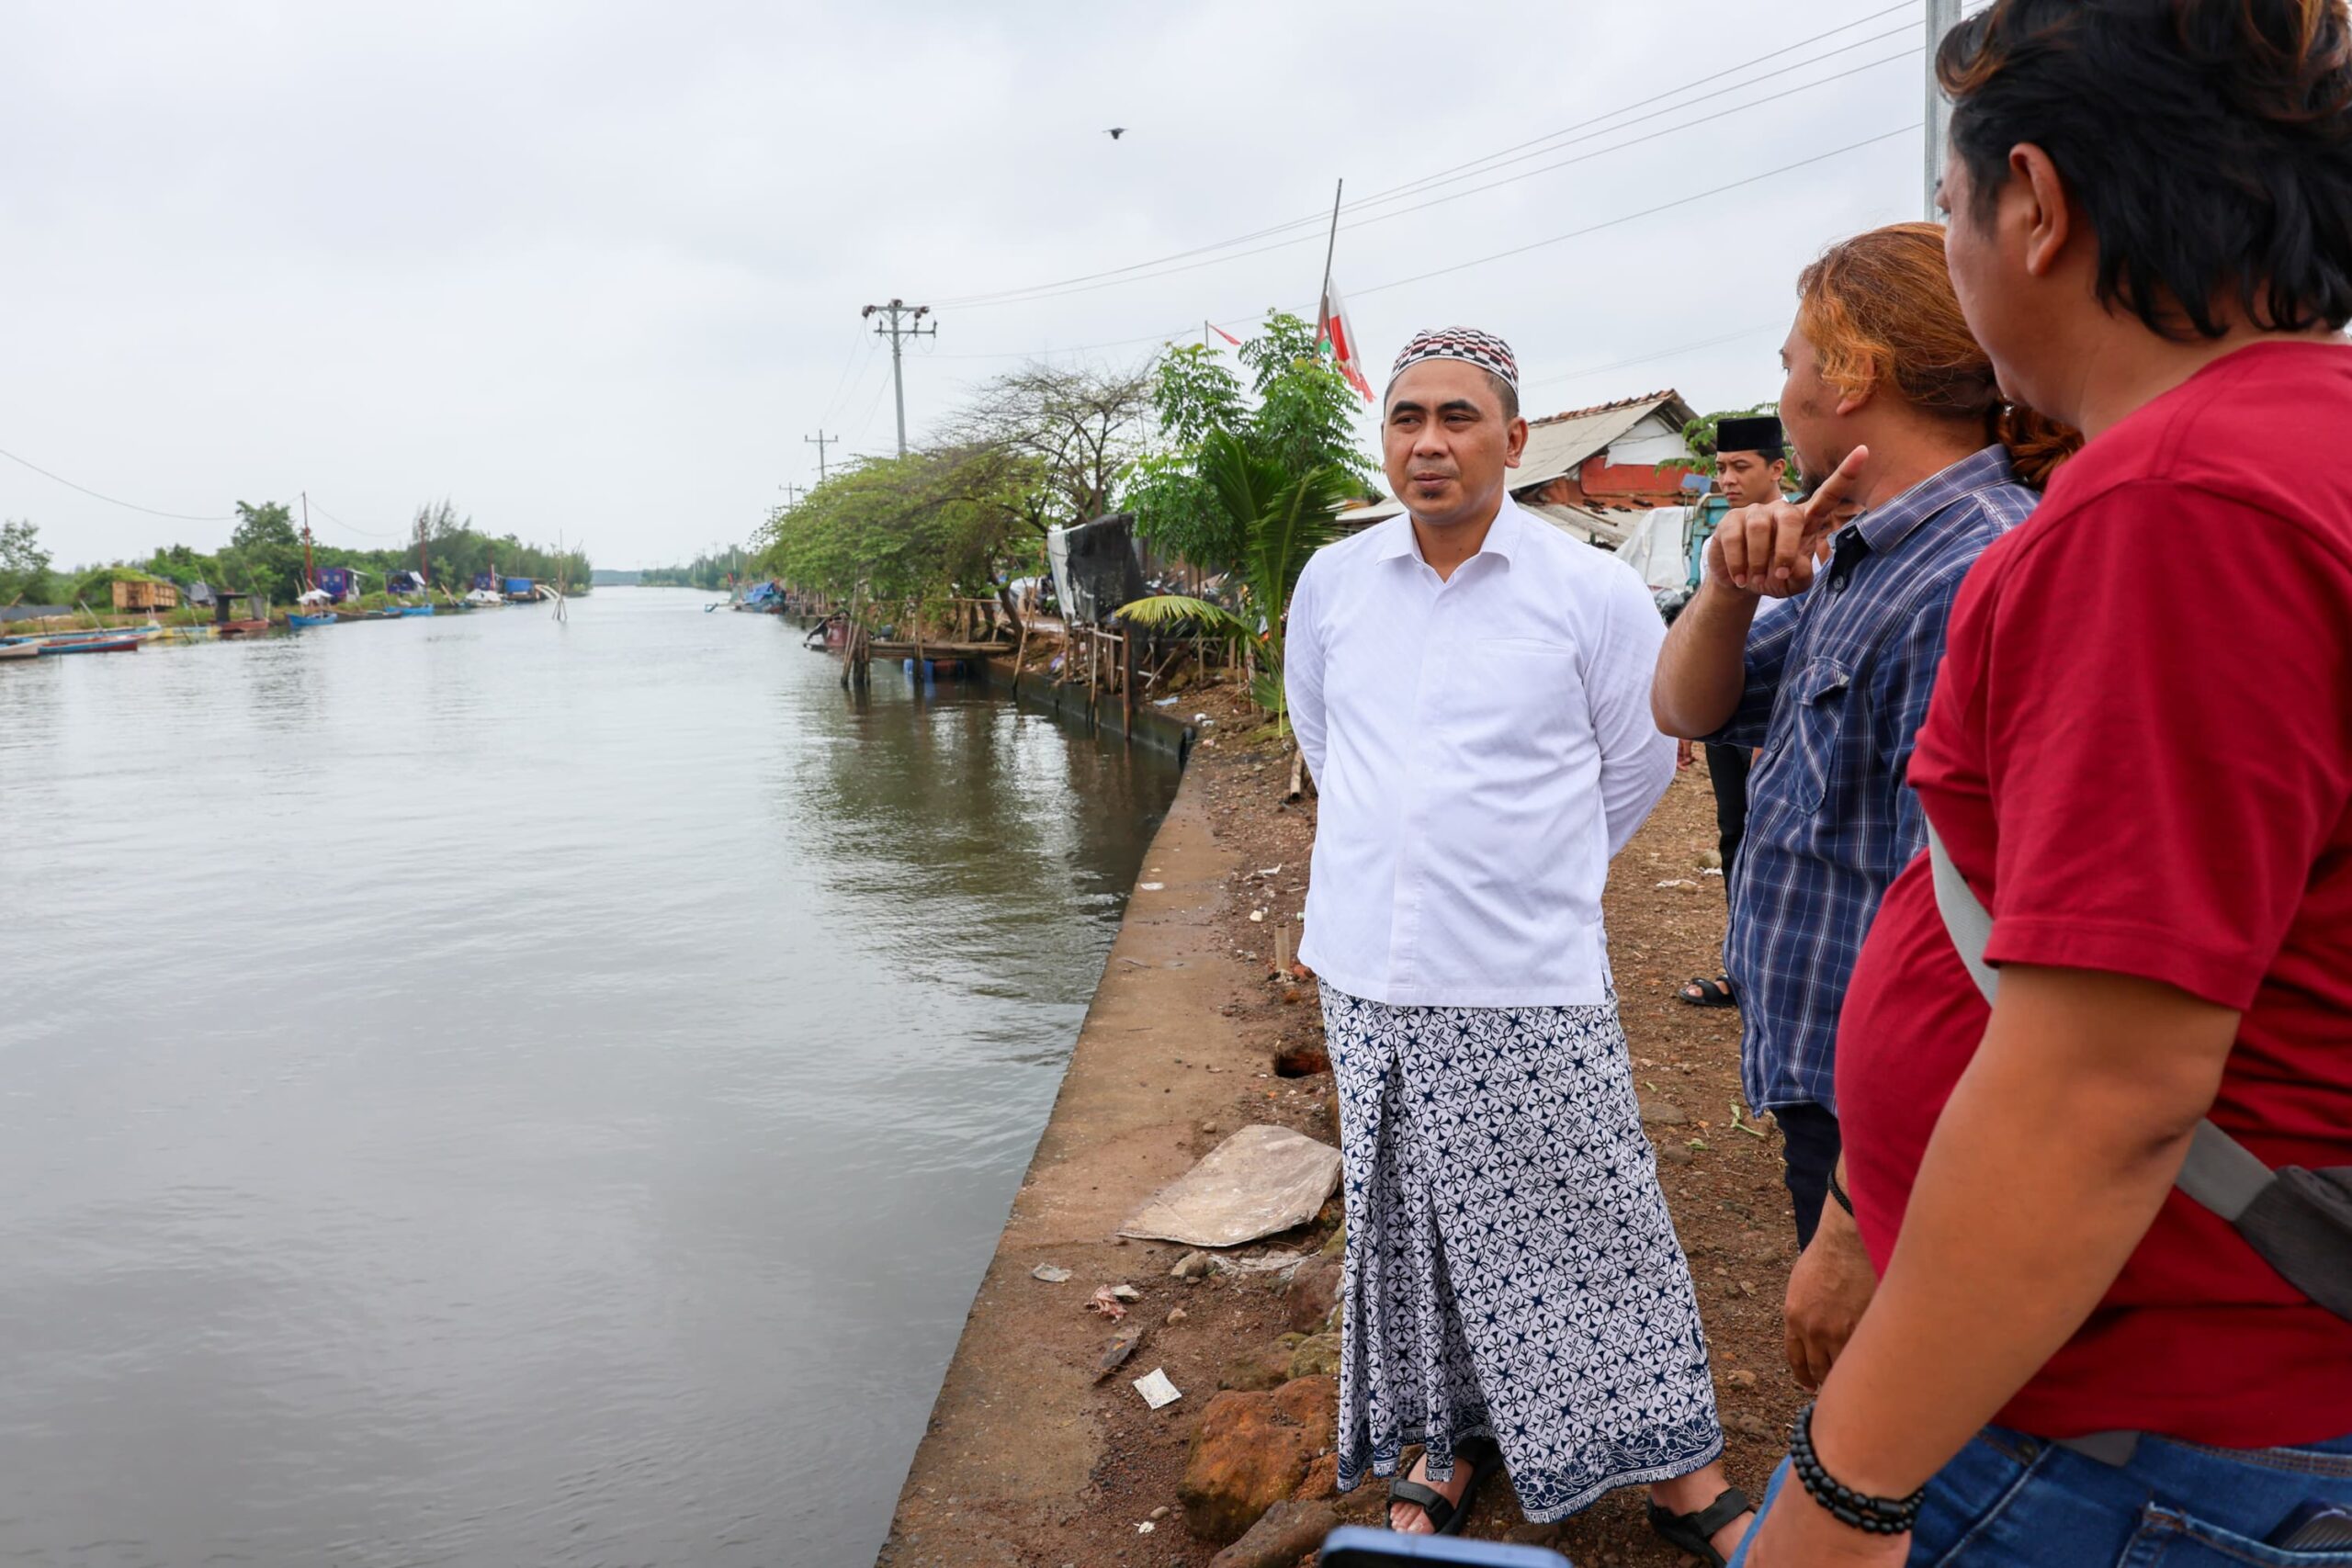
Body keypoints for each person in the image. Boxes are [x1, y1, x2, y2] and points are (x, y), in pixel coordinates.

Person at [1734, 3, 2352, 1563]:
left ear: (2034, 201)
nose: (1953, 247)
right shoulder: (2292, 453)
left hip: (2146, 1437)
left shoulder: (2181, 507)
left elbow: (2106, 1091)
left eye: (1949, 207)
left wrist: (1848, 1488)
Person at [1286, 327, 1753, 1564]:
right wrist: (1400, 866)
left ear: (1510, 436)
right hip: (1369, 973)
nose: (1428, 442)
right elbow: (1326, 746)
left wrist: (1516, 872)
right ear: (1385, 439)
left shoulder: (1584, 588)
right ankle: (1445, 1437)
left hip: (1520, 967)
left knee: (1591, 1206)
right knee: (1414, 1217)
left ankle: (1675, 1464)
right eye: (1406, 419)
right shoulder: (1333, 583)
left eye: (1456, 417)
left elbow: (1644, 755)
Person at [1650, 223, 2064, 1252]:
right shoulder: (1862, 552)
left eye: (1789, 364)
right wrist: (1725, 590)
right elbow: (1686, 709)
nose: (1784, 392)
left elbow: (1976, 915)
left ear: (1849, 381)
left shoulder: (1972, 570)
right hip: (1839, 1083)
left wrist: (1852, 1205)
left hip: (1898, 1120)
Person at [1677, 414, 1789, 1011]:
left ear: (1778, 468)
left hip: (1777, 717)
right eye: (1720, 467)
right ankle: (1741, 968)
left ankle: (1777, 974)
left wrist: (1773, 730)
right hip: (1724, 705)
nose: (1726, 479)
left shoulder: (1806, 533)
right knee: (1733, 834)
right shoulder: (1716, 532)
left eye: (1740, 467)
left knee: (1777, 840)